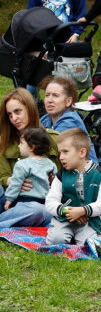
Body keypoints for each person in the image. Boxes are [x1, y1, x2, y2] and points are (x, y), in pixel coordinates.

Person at [45, 128, 101, 258]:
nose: (61, 157)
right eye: (60, 153)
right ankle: (65, 235)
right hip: (65, 218)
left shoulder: (99, 175)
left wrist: (83, 211)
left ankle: (99, 235)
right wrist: (68, 211)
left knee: (89, 246)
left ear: (82, 152)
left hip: (88, 220)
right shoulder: (61, 175)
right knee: (54, 241)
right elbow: (50, 202)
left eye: (65, 152)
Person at [0, 89, 60, 227]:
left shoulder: (53, 138)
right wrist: (10, 180)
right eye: (10, 115)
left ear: (30, 109)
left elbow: (70, 172)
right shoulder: (3, 142)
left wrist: (54, 183)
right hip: (9, 199)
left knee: (38, 211)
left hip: (39, 204)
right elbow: (2, 177)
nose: (14, 118)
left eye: (18, 111)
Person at [1, 128, 57, 226]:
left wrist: (9, 199)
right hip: (44, 202)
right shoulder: (50, 164)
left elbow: (15, 184)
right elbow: (55, 180)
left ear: (31, 147)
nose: (19, 146)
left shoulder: (22, 165)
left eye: (21, 143)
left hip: (24, 201)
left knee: (33, 210)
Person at [38, 76, 97, 163]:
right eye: (47, 95)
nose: (49, 100)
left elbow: (48, 150)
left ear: (68, 101)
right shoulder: (46, 119)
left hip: (84, 173)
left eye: (55, 95)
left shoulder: (70, 122)